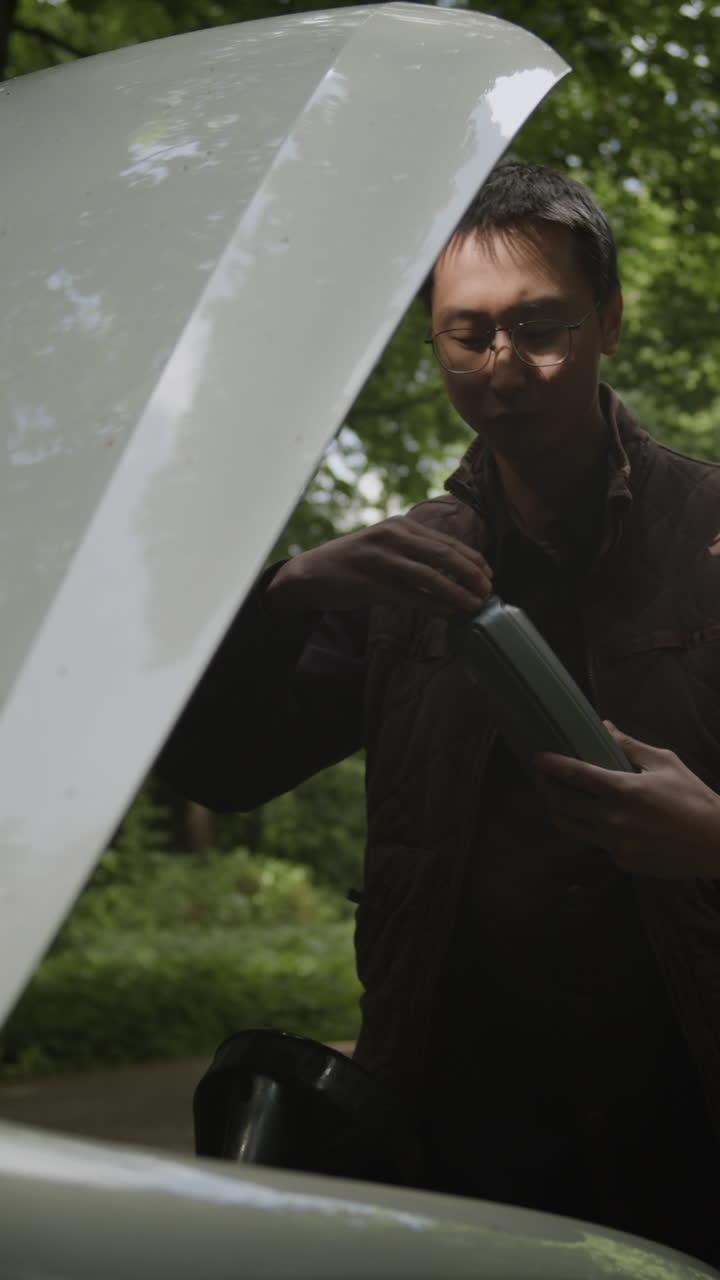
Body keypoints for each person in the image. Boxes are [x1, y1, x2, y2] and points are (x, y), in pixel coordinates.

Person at [157, 162, 720, 1263]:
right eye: (467, 334)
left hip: (690, 1114)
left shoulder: (709, 536)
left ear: (610, 316)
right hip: (463, 1130)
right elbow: (221, 767)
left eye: (540, 325)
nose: (503, 368)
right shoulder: (402, 566)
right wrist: (286, 592)